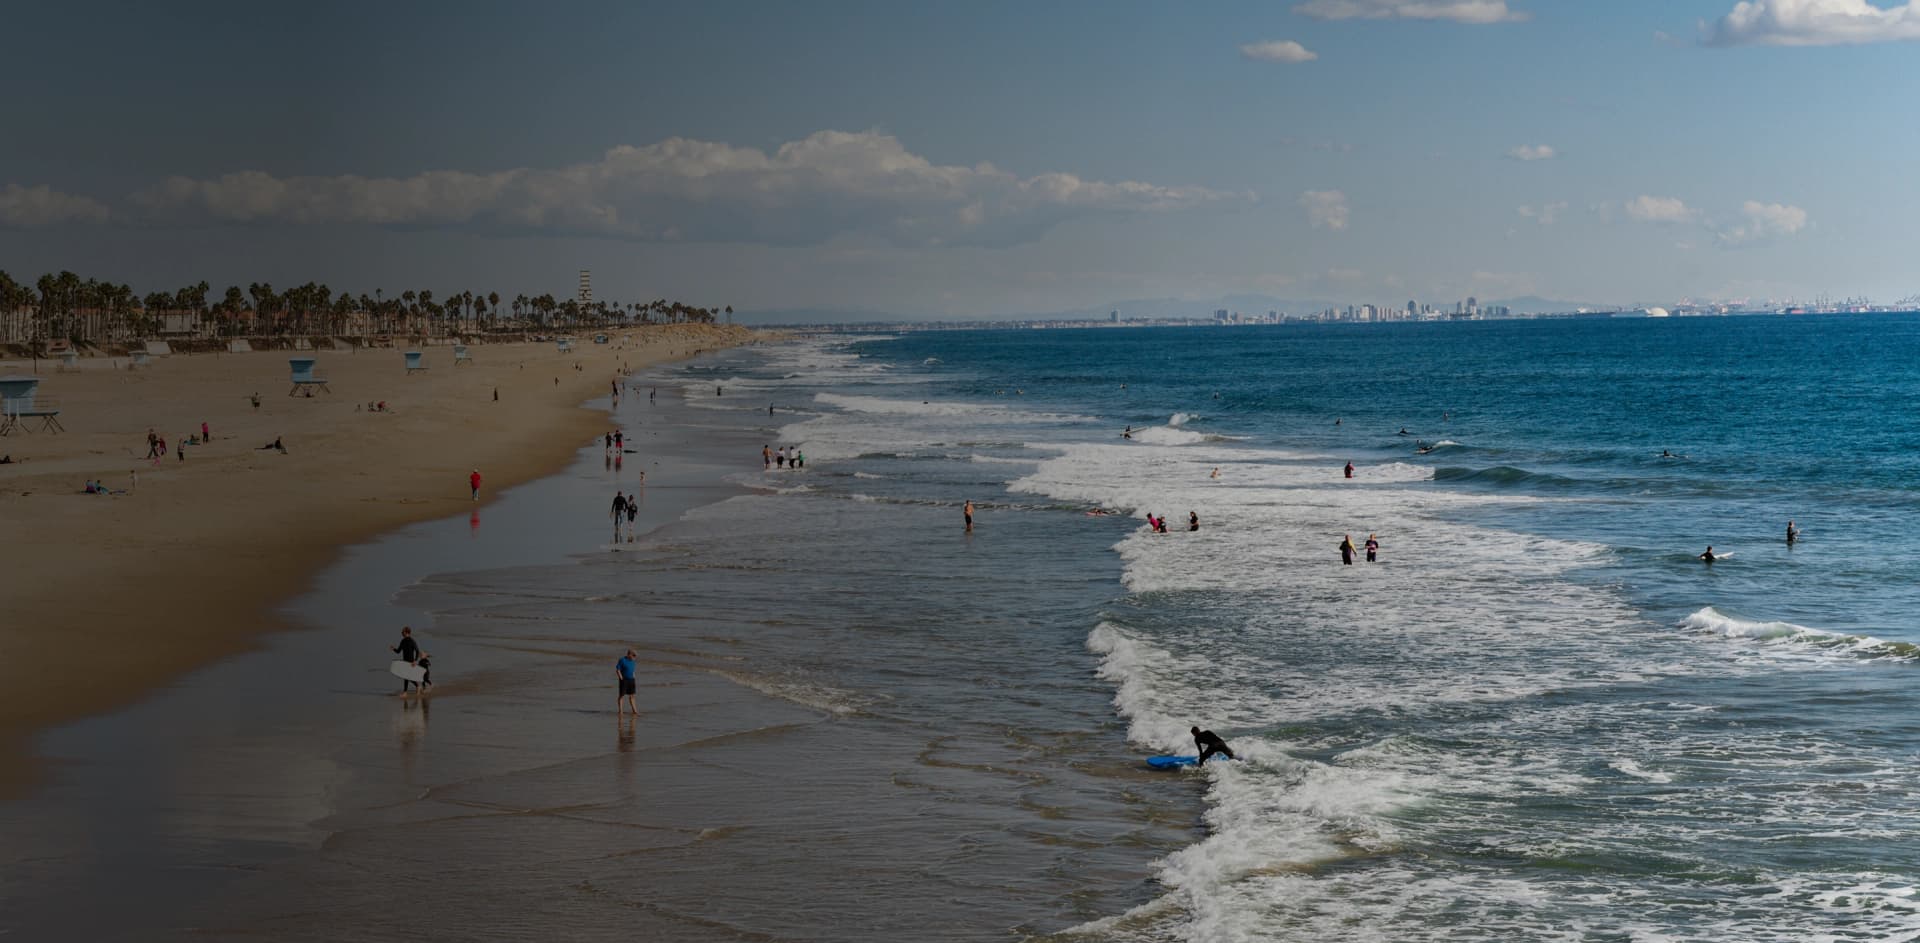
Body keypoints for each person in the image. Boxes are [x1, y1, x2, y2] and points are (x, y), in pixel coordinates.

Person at [392, 627, 421, 696]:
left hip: (411, 662)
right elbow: (398, 651)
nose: (401, 633)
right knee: (406, 676)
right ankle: (417, 686)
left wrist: (415, 660)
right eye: (402, 632)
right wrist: (393, 649)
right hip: (404, 661)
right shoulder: (403, 641)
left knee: (406, 676)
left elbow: (417, 651)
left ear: (407, 632)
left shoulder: (412, 641)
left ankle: (406, 692)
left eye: (403, 632)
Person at [615, 648, 639, 715]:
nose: (635, 657)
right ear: (629, 654)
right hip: (624, 680)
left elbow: (633, 670)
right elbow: (618, 669)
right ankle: (621, 711)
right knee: (621, 695)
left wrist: (634, 677)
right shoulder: (622, 660)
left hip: (631, 680)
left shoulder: (633, 661)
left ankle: (635, 711)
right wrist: (621, 678)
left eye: (635, 656)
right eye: (633, 655)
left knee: (632, 696)